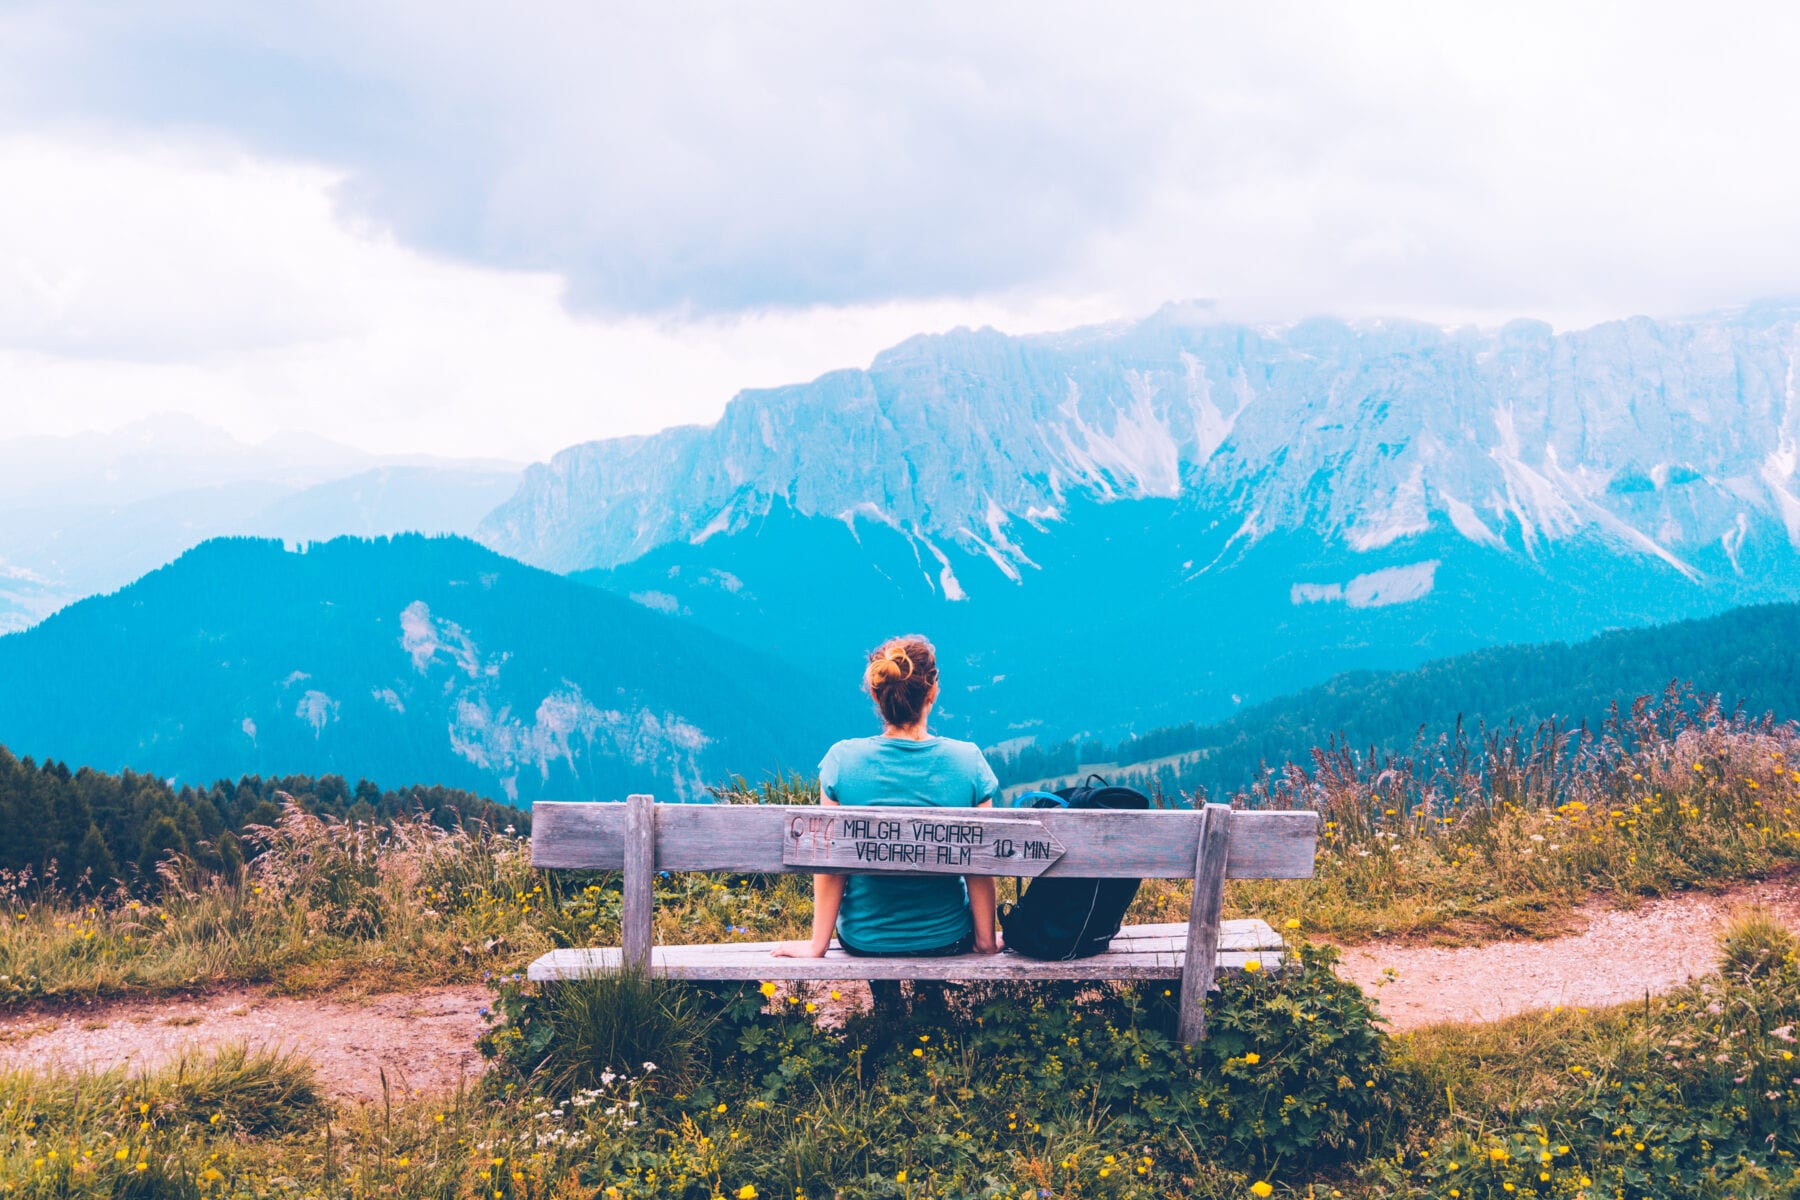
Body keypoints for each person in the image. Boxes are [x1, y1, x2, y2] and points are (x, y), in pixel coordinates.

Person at [773, 635, 1002, 1001]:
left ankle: (889, 1009)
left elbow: (830, 865)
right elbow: (980, 865)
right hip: (945, 936)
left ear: (877, 695)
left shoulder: (841, 762)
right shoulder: (968, 763)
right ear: (933, 692)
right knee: (937, 937)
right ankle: (930, 1006)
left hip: (866, 938)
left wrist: (817, 945)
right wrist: (986, 941)